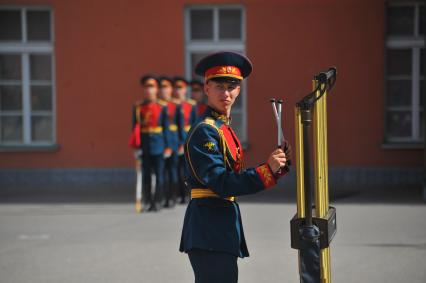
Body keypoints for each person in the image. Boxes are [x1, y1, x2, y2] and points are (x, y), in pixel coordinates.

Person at [179, 51, 291, 282]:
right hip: (208, 227)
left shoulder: (222, 127)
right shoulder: (205, 130)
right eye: (219, 86)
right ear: (206, 88)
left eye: (232, 87)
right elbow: (221, 182)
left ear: (239, 90)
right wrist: (266, 170)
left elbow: (233, 177)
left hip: (220, 226)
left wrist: (277, 166)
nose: (226, 93)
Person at [135, 75, 171, 212]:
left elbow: (166, 128)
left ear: (156, 89)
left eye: (152, 86)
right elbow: (135, 128)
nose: (149, 90)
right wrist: (136, 146)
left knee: (160, 175)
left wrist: (167, 146)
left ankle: (158, 201)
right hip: (144, 146)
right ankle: (147, 201)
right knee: (146, 176)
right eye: (147, 87)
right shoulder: (138, 107)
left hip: (159, 144)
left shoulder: (162, 107)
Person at [158, 76, 182, 208]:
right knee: (162, 171)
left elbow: (180, 125)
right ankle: (162, 197)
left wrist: (180, 143)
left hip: (173, 139)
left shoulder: (175, 105)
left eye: (166, 87)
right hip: (160, 139)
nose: (164, 90)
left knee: (173, 170)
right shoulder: (157, 105)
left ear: (171, 89)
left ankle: (173, 197)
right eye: (161, 87)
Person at [173, 76, 197, 204]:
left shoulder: (191, 105)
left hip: (187, 140)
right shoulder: (170, 105)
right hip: (174, 141)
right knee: (175, 170)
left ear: (185, 90)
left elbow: (194, 125)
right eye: (176, 88)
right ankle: (177, 194)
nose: (178, 91)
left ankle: (188, 194)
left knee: (187, 170)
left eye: (181, 88)